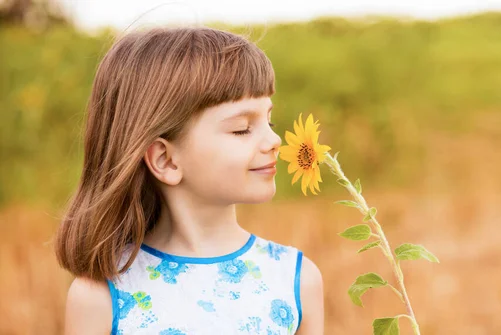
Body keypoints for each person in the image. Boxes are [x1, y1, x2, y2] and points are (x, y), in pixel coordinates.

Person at [53, 26, 324, 335]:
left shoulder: (295, 280)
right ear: (165, 160)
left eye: (269, 119)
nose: (275, 139)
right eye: (241, 128)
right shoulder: (101, 296)